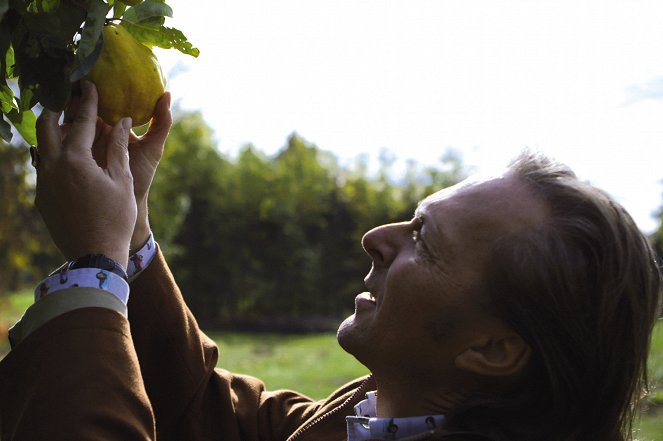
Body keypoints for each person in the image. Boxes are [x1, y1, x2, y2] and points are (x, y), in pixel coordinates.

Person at [0, 81, 660, 441]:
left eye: (423, 240)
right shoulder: (379, 412)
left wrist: (96, 266)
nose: (377, 235)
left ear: (491, 348)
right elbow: (208, 414)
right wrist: (133, 228)